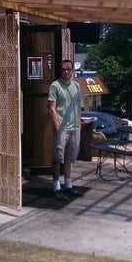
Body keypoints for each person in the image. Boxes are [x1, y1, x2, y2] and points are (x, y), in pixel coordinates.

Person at [47, 59, 83, 201]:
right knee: (57, 157)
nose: (66, 72)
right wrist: (57, 126)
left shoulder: (76, 86)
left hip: (74, 127)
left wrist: (79, 127)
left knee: (69, 157)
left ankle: (68, 184)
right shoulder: (55, 86)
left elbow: (78, 109)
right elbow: (51, 108)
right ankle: (56, 186)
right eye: (63, 69)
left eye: (69, 69)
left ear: (72, 70)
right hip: (62, 128)